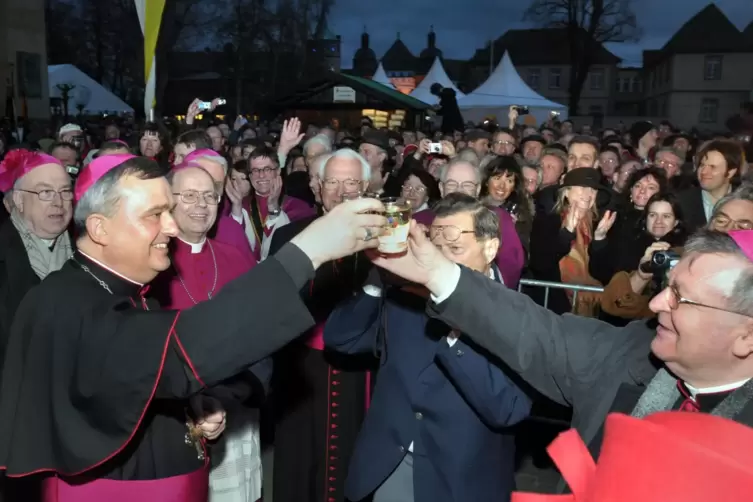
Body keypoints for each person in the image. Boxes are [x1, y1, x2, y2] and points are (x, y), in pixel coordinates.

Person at [0, 154, 387, 501]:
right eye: (155, 214)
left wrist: (190, 405)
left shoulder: (124, 288)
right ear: (100, 229)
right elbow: (180, 349)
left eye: (170, 211)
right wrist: (309, 252)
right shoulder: (69, 301)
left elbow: (139, 378)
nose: (171, 226)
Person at [372, 223, 753, 492]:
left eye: (679, 299)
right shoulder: (629, 353)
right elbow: (535, 332)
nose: (655, 304)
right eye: (665, 289)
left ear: (746, 334)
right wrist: (437, 274)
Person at [325, 194, 531, 502]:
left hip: (461, 479)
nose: (442, 260)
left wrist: (458, 328)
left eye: (455, 248)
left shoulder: (517, 316)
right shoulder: (405, 298)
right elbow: (342, 339)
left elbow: (508, 410)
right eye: (437, 248)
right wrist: (376, 280)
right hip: (392, 467)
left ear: (490, 248)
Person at [268, 149, 374, 502]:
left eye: (352, 182)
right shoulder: (289, 237)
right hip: (299, 370)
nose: (342, 190)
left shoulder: (382, 241)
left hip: (358, 372)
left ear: (366, 187)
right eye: (333, 181)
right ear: (318, 187)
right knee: (297, 463)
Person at [0, 150, 74, 365]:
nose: (58, 202)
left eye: (65, 192)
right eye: (45, 193)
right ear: (18, 200)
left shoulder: (89, 254)